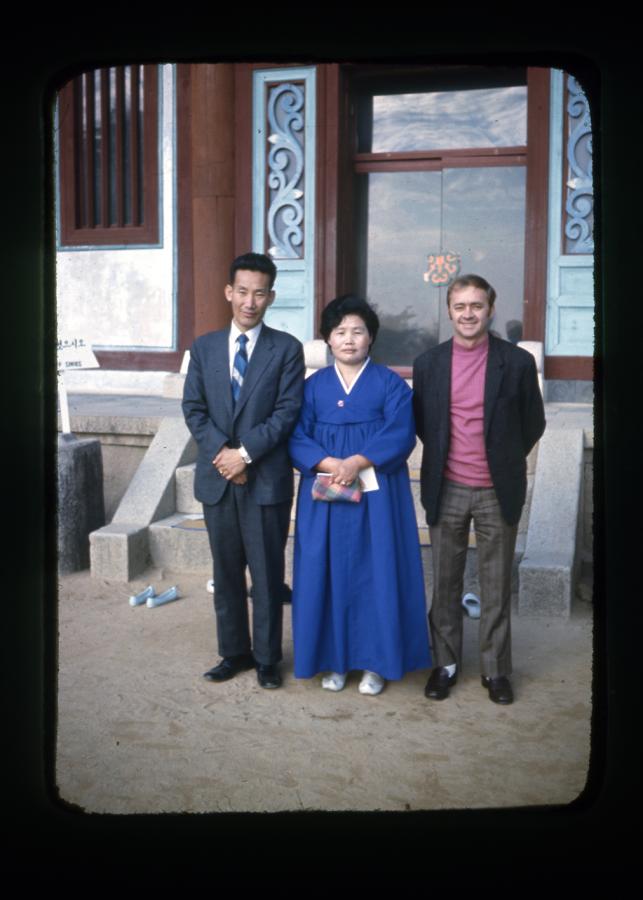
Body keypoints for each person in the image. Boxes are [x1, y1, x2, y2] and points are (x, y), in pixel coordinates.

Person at [288, 295, 432, 696]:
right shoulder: (312, 387)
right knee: (325, 571)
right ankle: (332, 661)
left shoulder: (389, 384)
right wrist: (327, 462)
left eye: (357, 331)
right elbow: (296, 435)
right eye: (339, 332)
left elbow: (401, 433)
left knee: (377, 570)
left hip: (377, 492)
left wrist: (359, 460)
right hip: (326, 488)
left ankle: (376, 662)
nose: (348, 340)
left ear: (371, 338)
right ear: (327, 340)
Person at [413, 274, 546, 705]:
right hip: (446, 485)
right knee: (446, 583)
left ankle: (495, 670)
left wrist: (504, 459)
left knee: (495, 583)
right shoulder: (429, 363)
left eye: (476, 306)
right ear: (449, 311)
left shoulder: (517, 363)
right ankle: (445, 664)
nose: (468, 314)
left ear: (490, 309)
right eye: (460, 306)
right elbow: (424, 424)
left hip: (496, 488)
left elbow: (534, 423)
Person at [182, 252, 305, 690]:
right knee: (227, 570)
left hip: (264, 479)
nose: (250, 302)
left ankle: (268, 658)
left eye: (260, 293)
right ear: (228, 292)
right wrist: (224, 456)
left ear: (271, 296)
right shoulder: (204, 347)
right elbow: (193, 409)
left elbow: (287, 412)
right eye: (243, 291)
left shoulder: (286, 350)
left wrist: (245, 456)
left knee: (268, 573)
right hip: (218, 479)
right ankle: (233, 653)